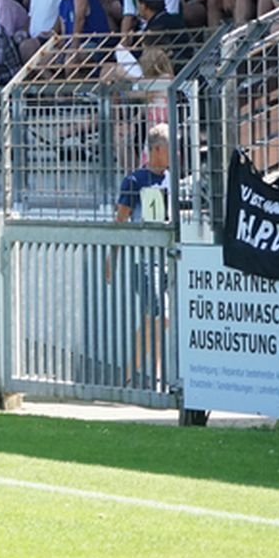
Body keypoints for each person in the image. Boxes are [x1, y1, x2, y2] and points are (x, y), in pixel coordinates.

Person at [109, 126, 171, 386]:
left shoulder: (172, 180)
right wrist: (112, 259)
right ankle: (143, 376)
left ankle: (136, 378)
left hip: (167, 260)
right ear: (156, 150)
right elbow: (120, 221)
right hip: (144, 261)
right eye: (170, 149)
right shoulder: (134, 181)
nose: (175, 154)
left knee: (152, 320)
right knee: (161, 316)